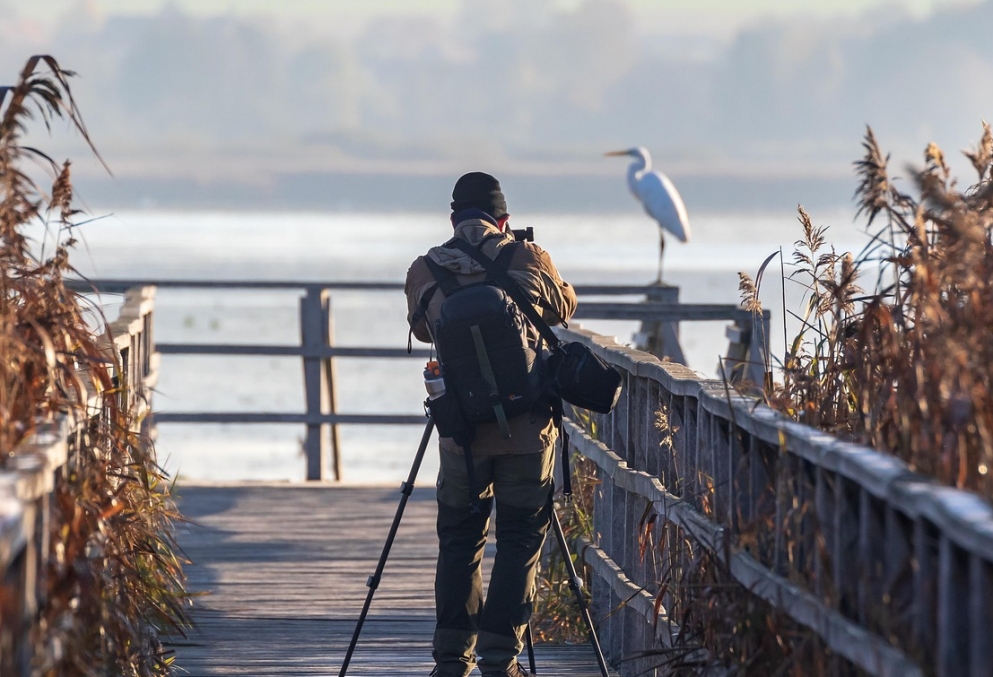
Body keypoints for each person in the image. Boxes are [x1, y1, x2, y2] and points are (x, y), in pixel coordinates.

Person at [405, 172, 577, 677]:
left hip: (461, 432)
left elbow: (421, 328)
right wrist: (530, 258)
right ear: (503, 220)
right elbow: (565, 306)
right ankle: (501, 660)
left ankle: (451, 660)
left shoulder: (425, 267)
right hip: (527, 428)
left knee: (460, 537)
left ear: (453, 220)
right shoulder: (528, 258)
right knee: (521, 537)